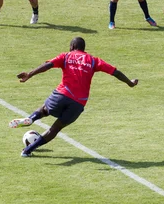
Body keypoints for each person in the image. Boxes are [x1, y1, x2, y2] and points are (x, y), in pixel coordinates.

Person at [9, 36, 138, 157]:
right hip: (78, 103)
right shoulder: (93, 60)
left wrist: (30, 74)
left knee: (44, 110)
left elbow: (47, 66)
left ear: (71, 46)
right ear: (83, 48)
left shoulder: (66, 56)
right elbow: (115, 72)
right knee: (55, 129)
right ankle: (27, 151)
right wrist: (129, 83)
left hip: (61, 94)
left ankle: (31, 119)